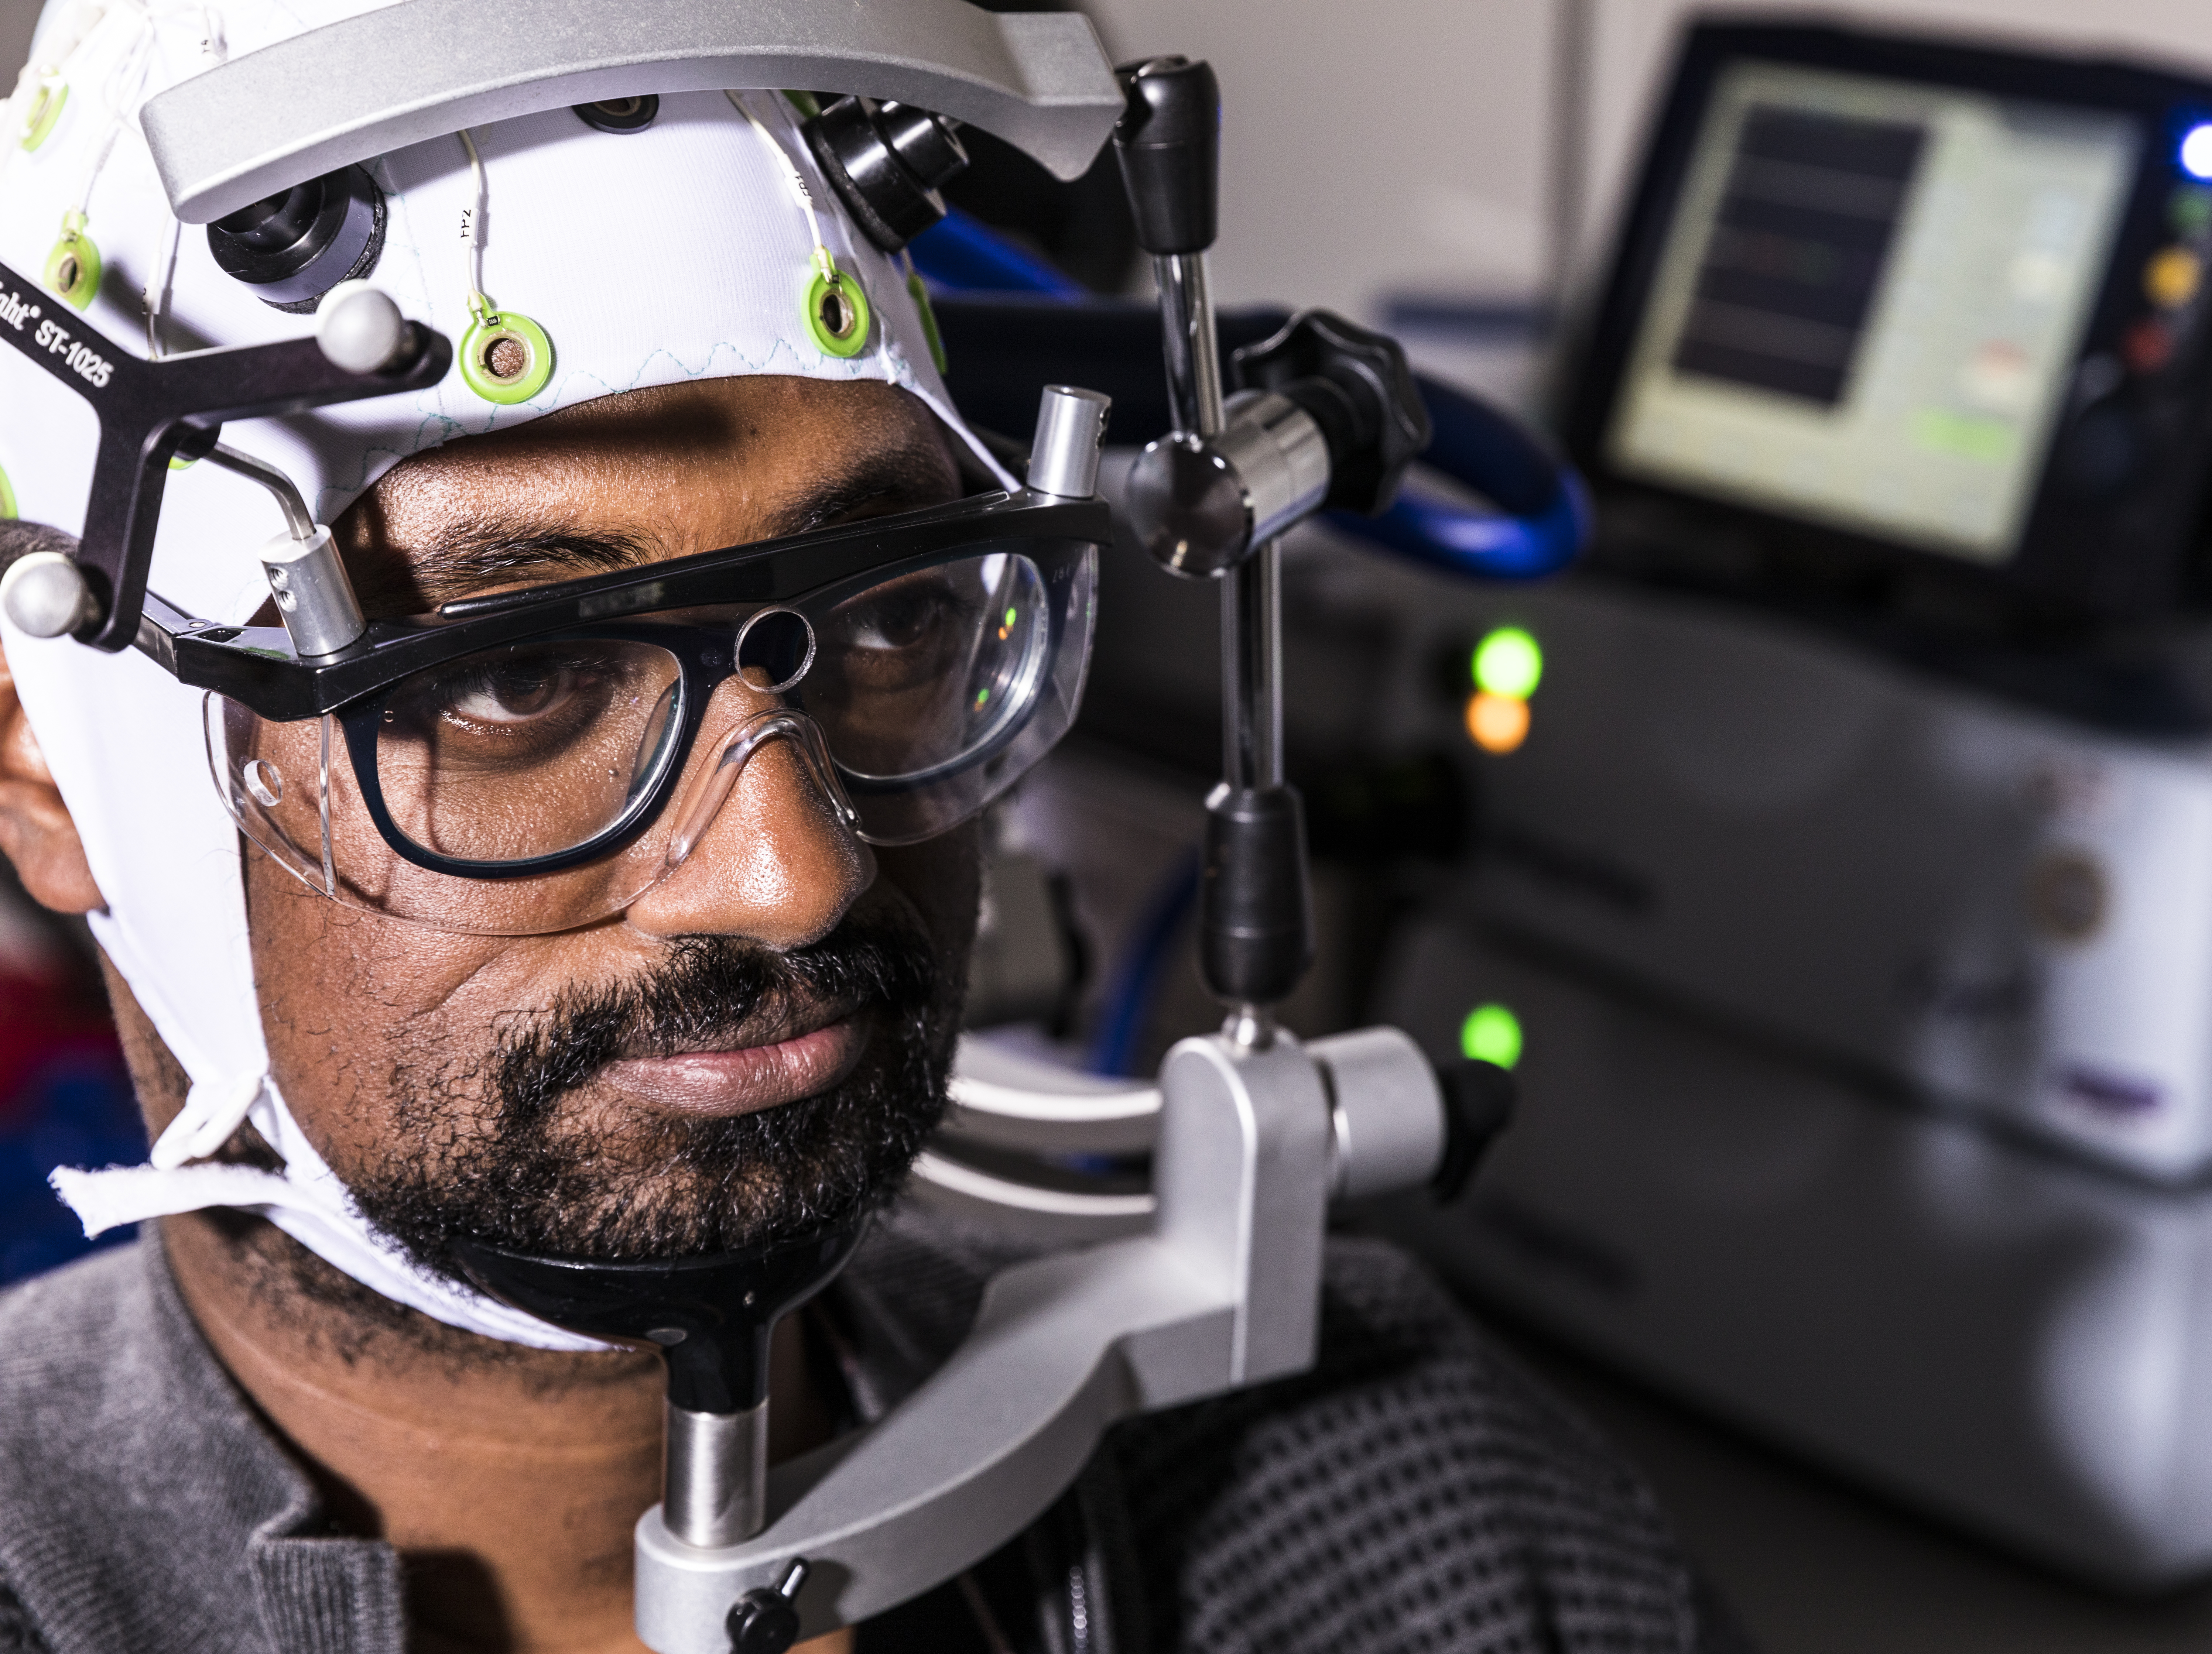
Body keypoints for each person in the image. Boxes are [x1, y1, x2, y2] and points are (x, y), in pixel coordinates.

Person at [0, 3, 1750, 1650]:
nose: (799, 870)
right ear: (49, 777)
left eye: (896, 612)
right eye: (518, 676)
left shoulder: (1394, 1490)